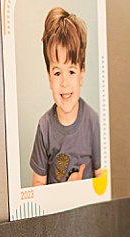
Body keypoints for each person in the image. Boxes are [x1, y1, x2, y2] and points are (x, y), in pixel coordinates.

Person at [29, 7, 101, 187]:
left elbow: (102, 176)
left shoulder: (92, 121)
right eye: (57, 73)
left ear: (81, 74)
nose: (64, 82)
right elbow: (38, 182)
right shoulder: (44, 127)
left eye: (71, 71)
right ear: (49, 77)